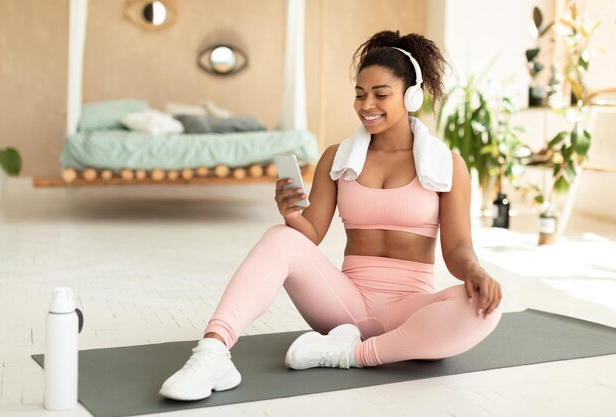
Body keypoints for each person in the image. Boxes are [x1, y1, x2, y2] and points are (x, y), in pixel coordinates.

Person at [159, 30, 503, 401]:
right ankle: (212, 353)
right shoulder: (338, 158)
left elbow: (457, 248)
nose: (365, 104)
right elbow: (310, 233)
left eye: (380, 94)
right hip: (343, 305)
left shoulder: (447, 164)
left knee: (484, 310)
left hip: (408, 310)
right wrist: (292, 214)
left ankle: (349, 354)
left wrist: (476, 272)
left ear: (412, 96)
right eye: (359, 93)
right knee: (280, 236)